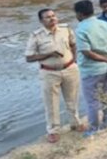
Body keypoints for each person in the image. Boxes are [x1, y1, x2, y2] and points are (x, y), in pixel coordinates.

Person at [25, 9, 85, 143]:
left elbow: (73, 45)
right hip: (49, 72)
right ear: (41, 21)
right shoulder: (36, 36)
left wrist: (74, 60)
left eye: (53, 16)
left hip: (70, 68)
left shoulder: (65, 29)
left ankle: (75, 123)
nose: (52, 19)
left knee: (73, 98)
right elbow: (28, 58)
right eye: (47, 17)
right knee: (51, 102)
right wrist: (48, 54)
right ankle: (53, 130)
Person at [74, 0, 107, 136]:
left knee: (92, 101)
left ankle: (94, 129)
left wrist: (104, 59)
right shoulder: (105, 25)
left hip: (91, 70)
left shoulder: (81, 29)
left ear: (79, 14)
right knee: (106, 96)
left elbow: (86, 52)